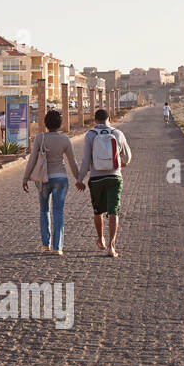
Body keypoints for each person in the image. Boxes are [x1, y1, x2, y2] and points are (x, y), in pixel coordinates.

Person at [22, 109, 80, 256]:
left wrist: (25, 178)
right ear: (60, 124)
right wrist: (79, 178)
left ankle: (45, 245)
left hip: (43, 180)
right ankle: (58, 247)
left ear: (45, 123)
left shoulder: (39, 138)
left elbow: (32, 160)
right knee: (58, 212)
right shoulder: (65, 140)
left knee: (44, 210)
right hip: (61, 179)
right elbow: (72, 162)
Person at [76, 108, 133, 257]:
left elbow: (86, 161)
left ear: (95, 121)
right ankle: (111, 246)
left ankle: (100, 238)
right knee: (113, 210)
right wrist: (118, 164)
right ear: (110, 119)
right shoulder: (117, 133)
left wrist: (79, 179)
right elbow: (127, 158)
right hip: (114, 177)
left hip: (96, 179)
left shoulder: (90, 135)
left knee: (98, 211)